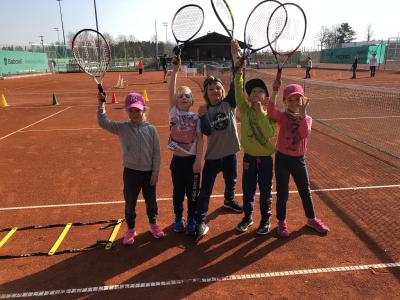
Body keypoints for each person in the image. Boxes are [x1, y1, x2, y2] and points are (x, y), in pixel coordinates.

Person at [97, 91, 165, 245]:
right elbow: (104, 123)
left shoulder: (151, 130)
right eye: (131, 111)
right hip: (131, 173)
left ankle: (153, 224)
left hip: (148, 174)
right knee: (130, 202)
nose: (135, 114)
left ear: (144, 110)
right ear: (127, 111)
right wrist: (101, 105)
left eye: (138, 110)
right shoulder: (123, 128)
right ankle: (130, 229)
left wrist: (155, 172)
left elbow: (157, 153)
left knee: (151, 202)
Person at [267, 81, 330, 237]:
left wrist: (302, 116)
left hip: (298, 160)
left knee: (305, 191)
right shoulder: (282, 117)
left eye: (297, 99)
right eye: (290, 100)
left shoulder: (307, 119)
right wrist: (274, 92)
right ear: (285, 101)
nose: (294, 103)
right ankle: (281, 221)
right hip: (282, 159)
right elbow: (270, 112)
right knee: (282, 192)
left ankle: (311, 219)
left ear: (303, 100)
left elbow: (304, 134)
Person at [195, 45, 242, 241]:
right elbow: (206, 131)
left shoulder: (229, 103)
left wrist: (235, 57)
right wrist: (201, 116)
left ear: (222, 91)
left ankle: (229, 200)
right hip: (213, 157)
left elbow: (235, 81)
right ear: (206, 93)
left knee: (231, 180)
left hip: (230, 152)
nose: (215, 90)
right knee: (205, 189)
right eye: (211, 89)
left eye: (217, 88)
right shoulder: (205, 111)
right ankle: (201, 220)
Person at [231, 41, 276, 235]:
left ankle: (265, 220)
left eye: (260, 92)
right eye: (253, 92)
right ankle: (248, 217)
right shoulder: (245, 109)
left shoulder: (270, 115)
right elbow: (237, 87)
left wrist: (260, 113)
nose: (256, 94)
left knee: (265, 191)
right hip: (249, 158)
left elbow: (268, 133)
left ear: (266, 98)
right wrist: (238, 68)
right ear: (248, 98)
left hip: (266, 160)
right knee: (248, 190)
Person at [167, 56, 203, 235]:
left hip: (192, 163)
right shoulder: (173, 112)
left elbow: (200, 140)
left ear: (192, 101)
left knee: (193, 194)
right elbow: (171, 90)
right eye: (179, 96)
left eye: (187, 96)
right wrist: (174, 71)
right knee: (178, 193)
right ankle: (178, 217)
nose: (182, 97)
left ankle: (191, 219)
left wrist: (198, 160)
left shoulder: (196, 118)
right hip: (177, 162)